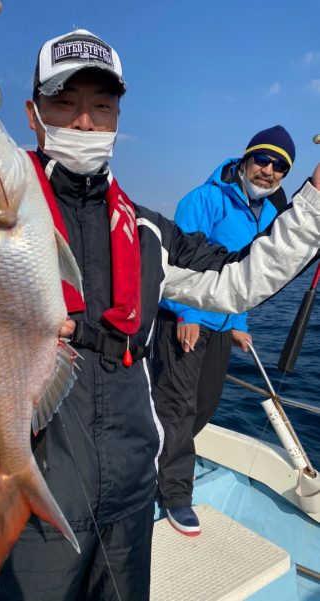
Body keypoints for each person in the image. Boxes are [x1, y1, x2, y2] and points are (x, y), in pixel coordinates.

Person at [0, 2, 319, 600]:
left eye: (102, 106)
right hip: (34, 488)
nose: (84, 121)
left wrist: (314, 201)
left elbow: (239, 279)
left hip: (133, 491)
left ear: (117, 119)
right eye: (64, 102)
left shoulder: (148, 230)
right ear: (31, 114)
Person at [153, 125, 296, 537]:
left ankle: (162, 461)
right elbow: (173, 262)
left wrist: (238, 324)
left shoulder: (270, 214)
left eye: (279, 166)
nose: (268, 171)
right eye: (263, 159)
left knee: (206, 404)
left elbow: (246, 279)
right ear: (246, 158)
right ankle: (175, 494)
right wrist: (187, 316)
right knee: (177, 405)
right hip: (184, 320)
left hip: (220, 326)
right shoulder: (205, 199)